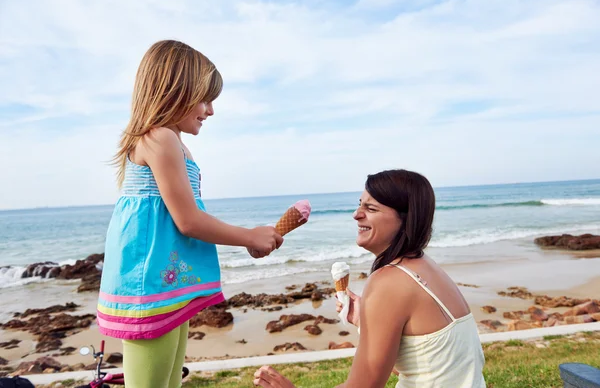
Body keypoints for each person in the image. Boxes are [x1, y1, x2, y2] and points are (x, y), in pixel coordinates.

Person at [96, 40, 283, 388]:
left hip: (167, 283)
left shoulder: (174, 142)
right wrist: (249, 237)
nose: (210, 110)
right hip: (149, 284)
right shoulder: (159, 137)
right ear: (174, 90)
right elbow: (188, 220)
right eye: (205, 98)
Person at [253, 169, 486, 388]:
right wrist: (368, 324)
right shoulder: (426, 266)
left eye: (371, 209)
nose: (356, 215)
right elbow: (426, 362)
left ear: (405, 219)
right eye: (359, 205)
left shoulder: (390, 280)